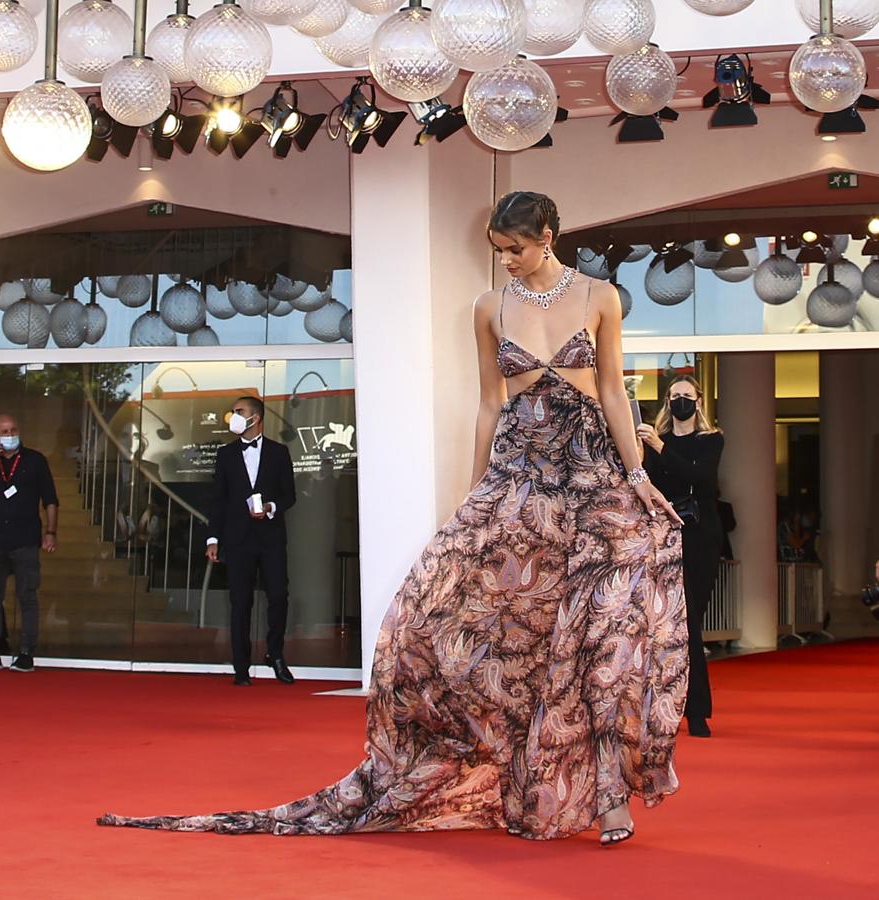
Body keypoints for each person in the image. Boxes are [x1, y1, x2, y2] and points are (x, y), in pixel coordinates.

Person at [100, 192, 687, 847]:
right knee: (494, 635)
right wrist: (473, 498)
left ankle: (610, 800)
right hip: (519, 479)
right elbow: (489, 407)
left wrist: (636, 476)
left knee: (601, 641)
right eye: (498, 252)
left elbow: (611, 389)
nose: (508, 262)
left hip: (591, 474)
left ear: (546, 234)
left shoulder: (599, 296)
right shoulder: (489, 308)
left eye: (515, 249)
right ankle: (520, 779)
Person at [638, 377, 725, 739]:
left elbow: (701, 478)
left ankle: (697, 710)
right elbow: (649, 483)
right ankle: (659, 708)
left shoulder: (711, 440)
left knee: (690, 625)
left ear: (699, 401)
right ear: (667, 401)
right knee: (659, 628)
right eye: (675, 397)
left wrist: (659, 446)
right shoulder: (655, 442)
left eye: (687, 396)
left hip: (700, 538)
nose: (681, 402)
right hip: (663, 536)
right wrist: (648, 450)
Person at [205, 396, 298, 686]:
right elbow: (218, 500)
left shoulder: (279, 452)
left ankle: (275, 653)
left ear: (255, 418)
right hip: (237, 539)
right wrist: (213, 538)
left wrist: (270, 508)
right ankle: (241, 667)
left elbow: (289, 495)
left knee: (278, 597)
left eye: (238, 411)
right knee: (240, 602)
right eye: (233, 411)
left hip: (270, 538)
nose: (233, 416)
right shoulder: (225, 454)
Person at [0, 414, 59, 673]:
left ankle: (26, 652)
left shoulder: (35, 460)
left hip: (26, 539)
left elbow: (50, 499)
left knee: (27, 596)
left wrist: (51, 532)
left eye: (13, 430)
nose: (9, 435)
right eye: (4, 431)